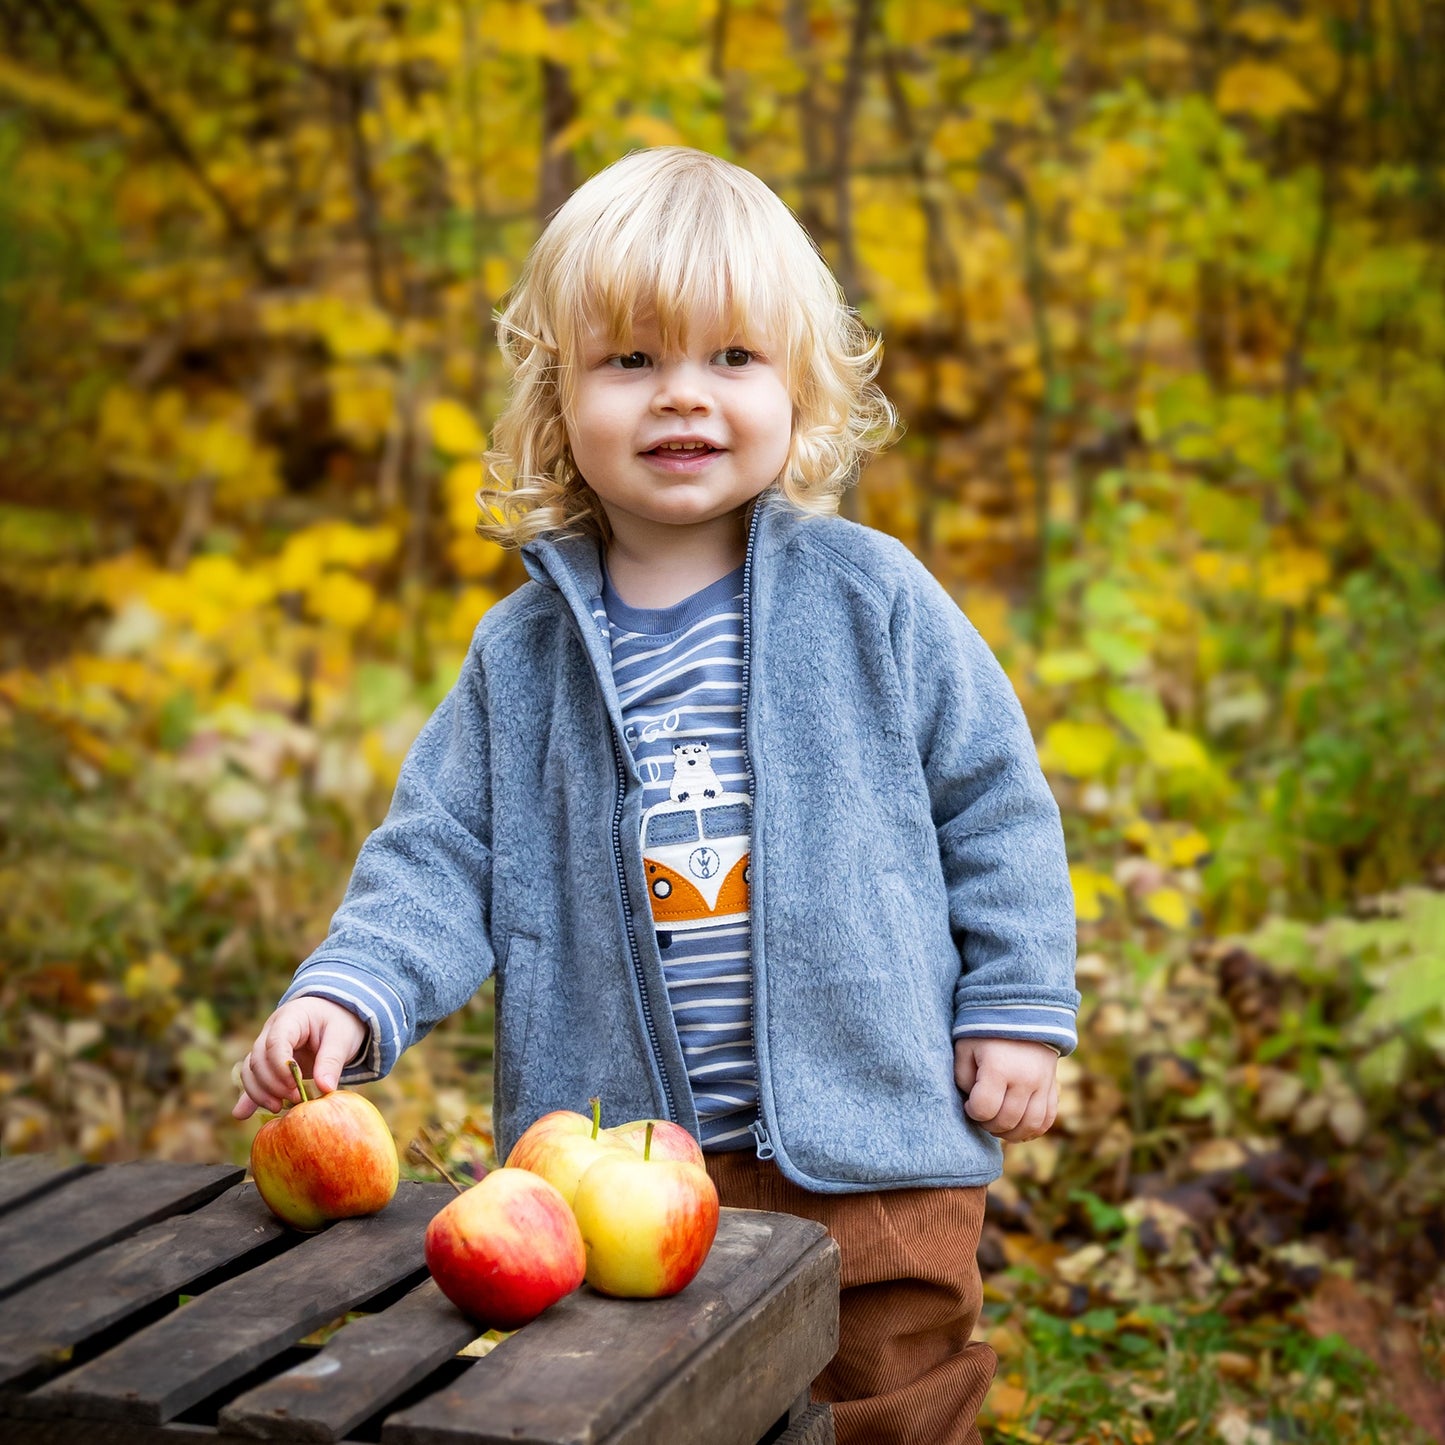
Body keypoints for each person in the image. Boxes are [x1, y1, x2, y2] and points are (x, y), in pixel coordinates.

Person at [233, 147, 1079, 1445]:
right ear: (557, 395)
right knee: (646, 1409)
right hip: (608, 1164)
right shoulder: (522, 659)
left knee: (893, 1389)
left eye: (731, 358)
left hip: (872, 1140)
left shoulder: (873, 598)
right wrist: (352, 988)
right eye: (631, 361)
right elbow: (439, 854)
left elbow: (991, 804)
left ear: (798, 382)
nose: (682, 396)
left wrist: (1016, 1005)